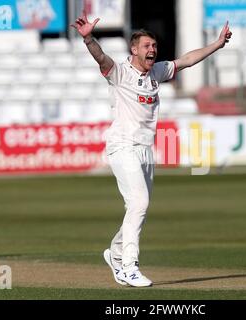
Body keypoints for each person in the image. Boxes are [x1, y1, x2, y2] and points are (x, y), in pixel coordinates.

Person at [71, 11, 232, 287]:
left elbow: (188, 60)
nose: (152, 50)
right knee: (139, 203)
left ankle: (117, 252)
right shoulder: (120, 72)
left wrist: (217, 45)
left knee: (137, 208)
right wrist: (89, 40)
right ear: (134, 49)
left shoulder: (156, 72)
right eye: (147, 46)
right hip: (122, 146)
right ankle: (130, 266)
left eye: (154, 46)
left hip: (145, 150)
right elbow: (102, 58)